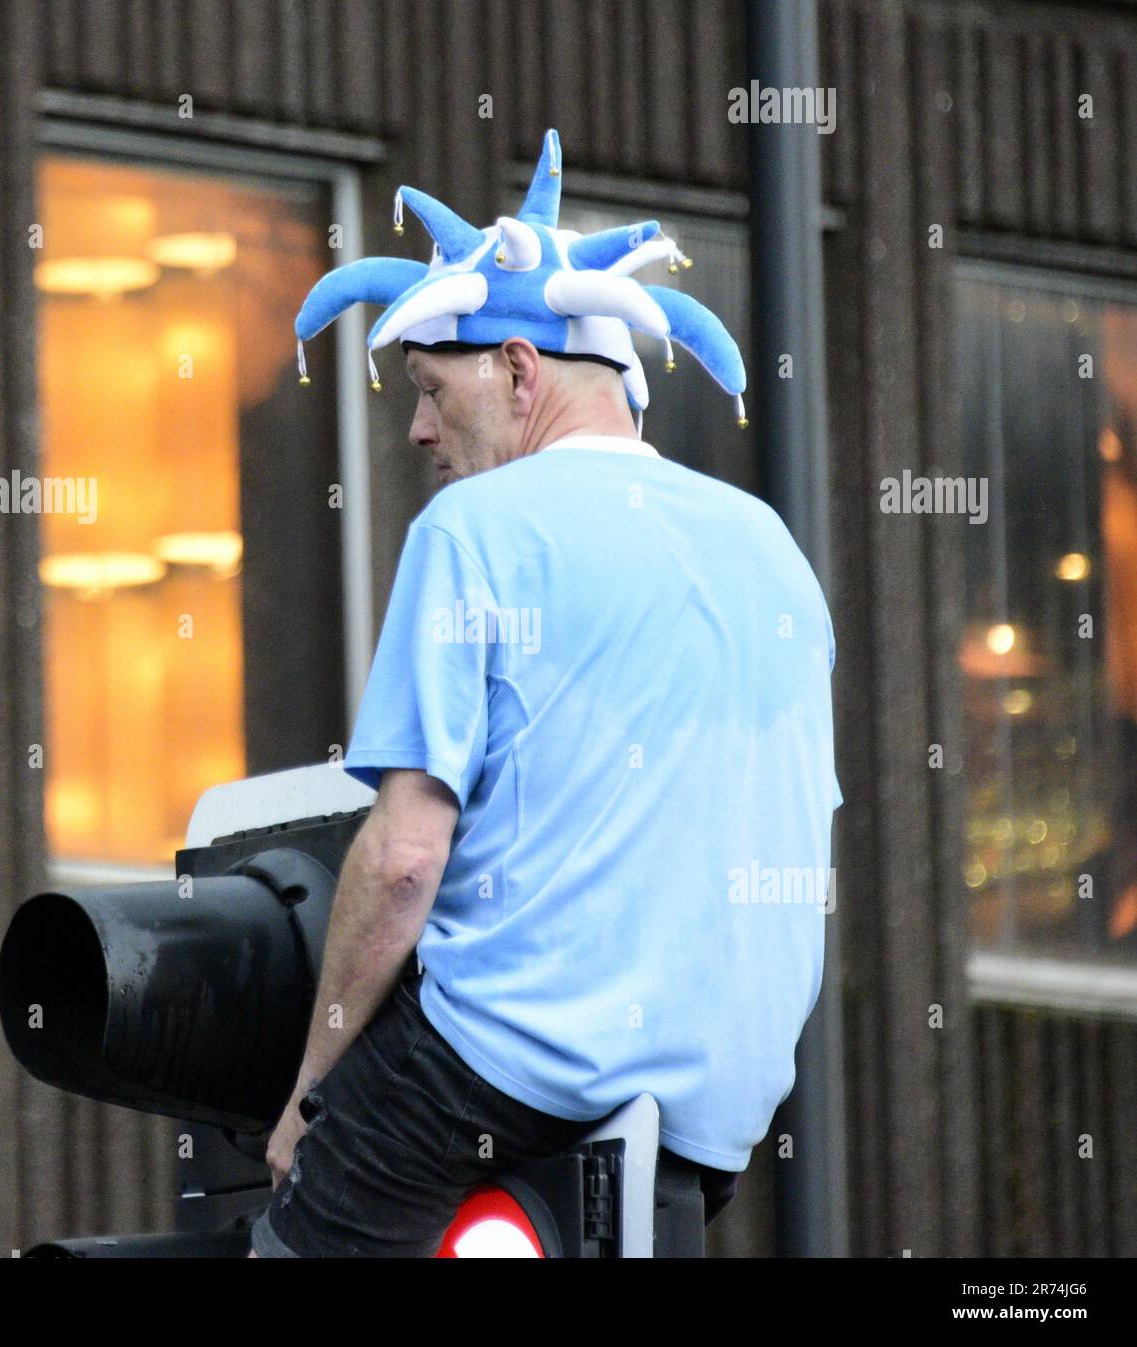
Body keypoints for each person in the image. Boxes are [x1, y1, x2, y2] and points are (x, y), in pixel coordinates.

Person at [248, 127, 841, 1258]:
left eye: (430, 387)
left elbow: (407, 855)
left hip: (500, 1066)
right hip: (715, 1111)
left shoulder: (475, 527)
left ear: (520, 370)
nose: (418, 426)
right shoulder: (768, 545)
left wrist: (311, 1094)